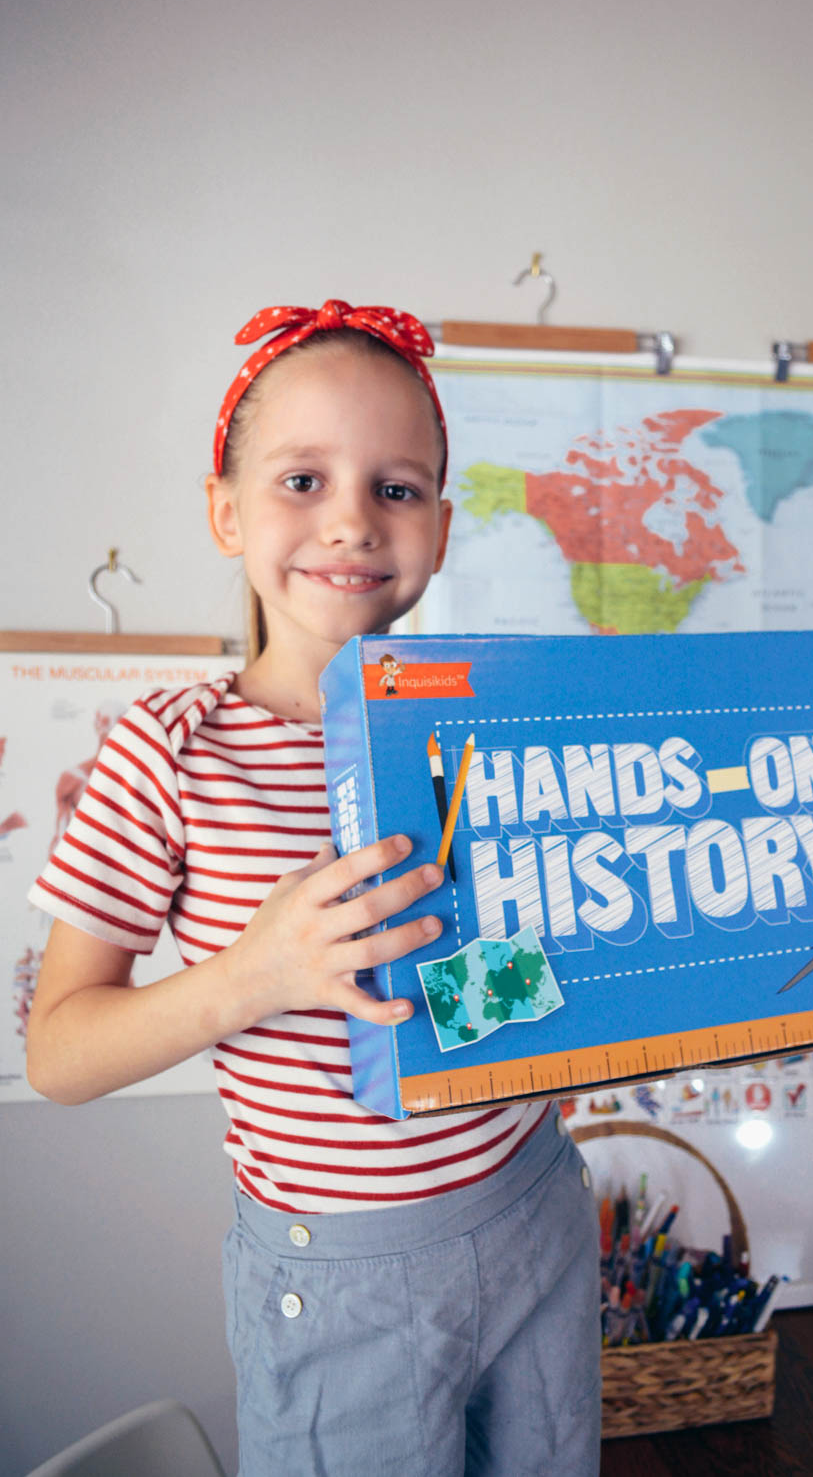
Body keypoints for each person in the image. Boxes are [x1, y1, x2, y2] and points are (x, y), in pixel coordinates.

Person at [25, 298, 601, 1477]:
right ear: (224, 511)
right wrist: (254, 973)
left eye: (396, 489)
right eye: (302, 481)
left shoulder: (497, 721)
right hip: (341, 1271)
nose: (350, 520)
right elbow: (59, 1054)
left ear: (439, 529)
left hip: (536, 1198)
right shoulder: (173, 749)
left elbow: (527, 956)